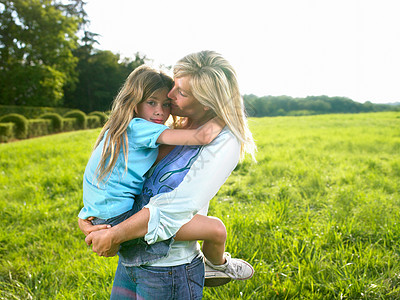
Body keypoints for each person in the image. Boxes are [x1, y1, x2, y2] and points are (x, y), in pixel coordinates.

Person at [79, 50, 257, 299]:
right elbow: (115, 177)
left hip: (170, 270)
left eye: (181, 92)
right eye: (174, 84)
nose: (170, 95)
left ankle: (216, 265)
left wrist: (115, 233)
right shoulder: (162, 126)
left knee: (217, 229)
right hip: (132, 259)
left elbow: (177, 206)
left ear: (207, 101)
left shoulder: (224, 140)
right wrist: (89, 217)